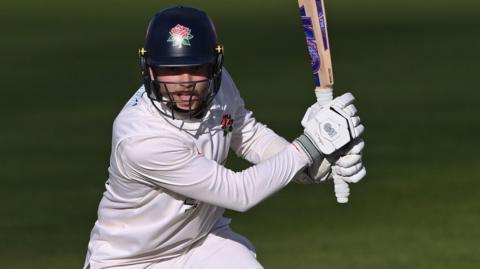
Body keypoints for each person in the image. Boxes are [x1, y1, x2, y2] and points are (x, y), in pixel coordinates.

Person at [83, 6, 366, 269]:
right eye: (171, 71)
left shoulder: (219, 88)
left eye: (196, 68)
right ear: (150, 70)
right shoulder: (141, 139)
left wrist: (311, 167)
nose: (185, 82)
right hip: (130, 260)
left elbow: (250, 137)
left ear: (214, 65)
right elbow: (238, 193)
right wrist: (310, 145)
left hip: (199, 242)